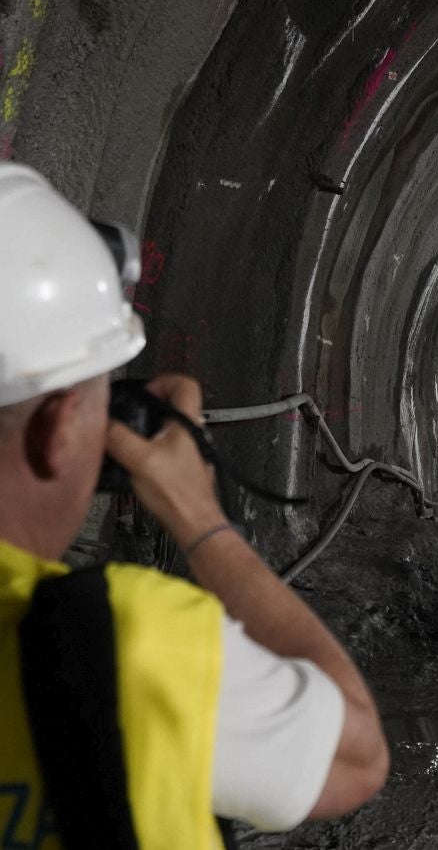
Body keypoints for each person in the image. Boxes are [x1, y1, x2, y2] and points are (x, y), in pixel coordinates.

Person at [0, 162, 388, 847]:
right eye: (102, 399)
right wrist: (201, 520)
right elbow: (354, 759)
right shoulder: (123, 638)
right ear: (61, 430)